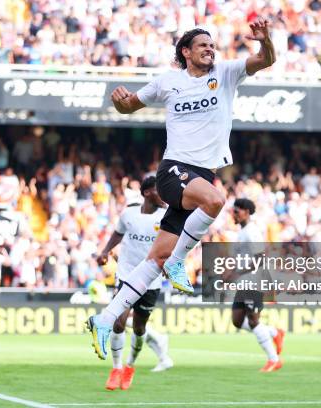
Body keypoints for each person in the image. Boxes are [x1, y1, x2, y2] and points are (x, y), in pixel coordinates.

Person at [87, 19, 276, 360]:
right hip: (175, 170)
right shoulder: (168, 81)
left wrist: (266, 41)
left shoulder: (227, 72)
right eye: (202, 45)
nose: (209, 49)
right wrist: (119, 102)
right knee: (217, 201)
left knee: (153, 261)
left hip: (201, 175)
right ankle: (178, 263)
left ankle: (106, 318)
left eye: (211, 44)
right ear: (186, 52)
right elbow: (130, 104)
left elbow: (265, 61)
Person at [96, 177, 173, 390]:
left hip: (151, 281)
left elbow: (171, 245)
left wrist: (170, 265)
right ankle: (116, 368)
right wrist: (105, 251)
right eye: (160, 191)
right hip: (127, 276)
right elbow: (118, 234)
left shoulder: (166, 217)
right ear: (147, 192)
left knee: (139, 329)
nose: (164, 195)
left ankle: (130, 366)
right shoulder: (129, 214)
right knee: (119, 322)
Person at [230, 198, 285, 372]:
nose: (234, 214)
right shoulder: (242, 232)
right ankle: (274, 332)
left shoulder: (251, 231)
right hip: (244, 281)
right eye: (233, 210)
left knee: (253, 321)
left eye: (237, 211)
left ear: (246, 212)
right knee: (237, 321)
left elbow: (260, 257)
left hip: (254, 281)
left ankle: (274, 360)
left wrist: (238, 272)